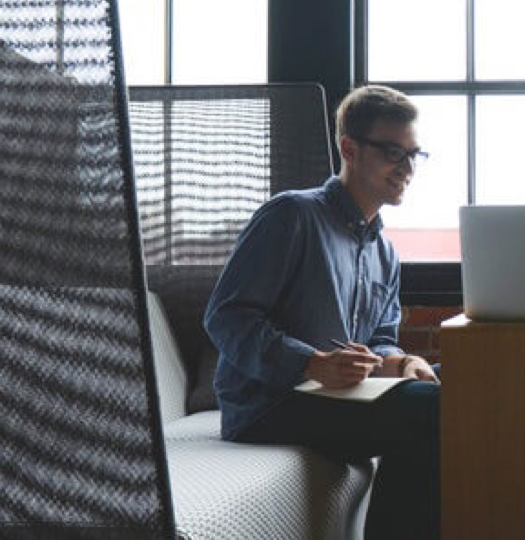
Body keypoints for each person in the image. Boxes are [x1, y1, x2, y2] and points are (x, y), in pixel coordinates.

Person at [204, 85, 440, 540]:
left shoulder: (385, 252)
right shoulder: (291, 214)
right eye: (394, 152)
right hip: (269, 404)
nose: (408, 168)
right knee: (434, 410)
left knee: (465, 390)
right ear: (349, 148)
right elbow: (227, 317)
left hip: (341, 398)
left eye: (416, 155)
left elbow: (382, 338)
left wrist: (401, 362)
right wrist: (311, 363)